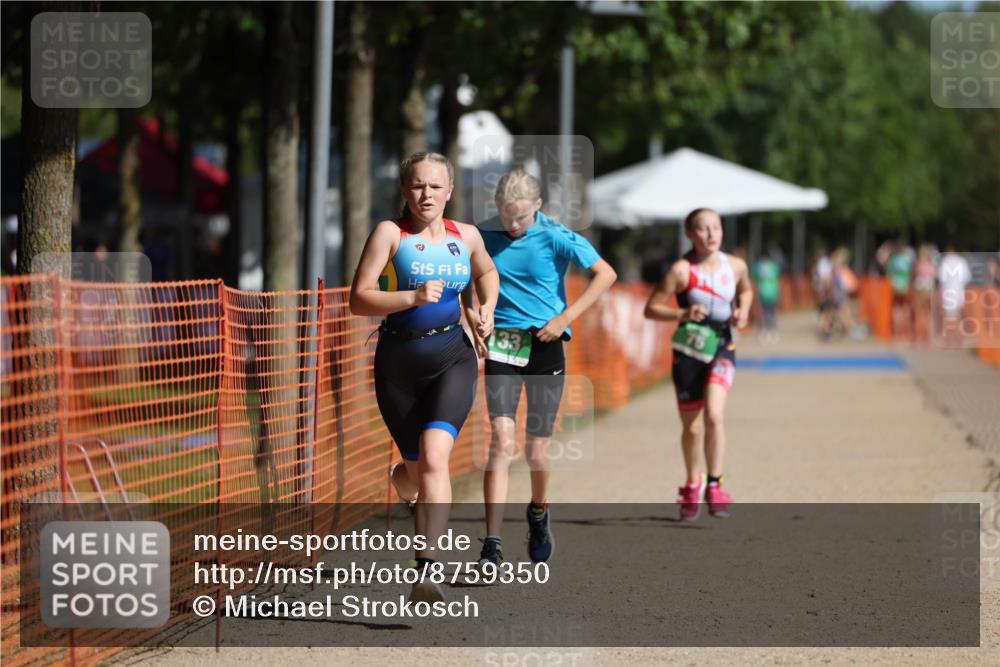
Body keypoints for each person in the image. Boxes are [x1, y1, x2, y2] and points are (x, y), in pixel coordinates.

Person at [349, 152, 499, 602]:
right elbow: (359, 299)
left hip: (453, 355)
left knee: (436, 458)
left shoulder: (466, 236)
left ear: (449, 191)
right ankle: (404, 478)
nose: (426, 194)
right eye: (417, 186)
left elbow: (487, 271)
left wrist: (487, 307)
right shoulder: (390, 235)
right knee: (417, 467)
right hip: (398, 364)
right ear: (404, 191)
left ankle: (426, 567)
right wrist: (411, 297)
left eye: (435, 186)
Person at [471, 169, 617, 567]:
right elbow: (467, 283)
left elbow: (606, 274)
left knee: (537, 447)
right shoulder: (482, 237)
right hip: (504, 344)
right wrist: (475, 315)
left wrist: (566, 317)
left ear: (537, 206)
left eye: (520, 216)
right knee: (501, 439)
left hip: (546, 344)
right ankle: (492, 542)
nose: (513, 225)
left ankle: (538, 512)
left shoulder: (555, 235)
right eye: (505, 216)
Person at [644, 208, 753, 521]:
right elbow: (651, 308)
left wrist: (743, 311)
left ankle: (715, 485)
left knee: (715, 415)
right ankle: (694, 482)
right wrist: (682, 314)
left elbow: (746, 290)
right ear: (689, 234)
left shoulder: (735, 266)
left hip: (722, 344)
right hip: (690, 348)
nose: (711, 234)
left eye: (716, 227)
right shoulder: (681, 271)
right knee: (691, 426)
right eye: (703, 229)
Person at [937, 246, 971, 347]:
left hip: (948, 292)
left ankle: (948, 340)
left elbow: (941, 279)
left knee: (948, 317)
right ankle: (958, 339)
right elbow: (967, 278)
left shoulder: (945, 261)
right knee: (958, 316)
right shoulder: (962, 261)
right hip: (959, 292)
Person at [752, 250, 781, 343]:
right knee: (772, 313)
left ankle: (765, 332)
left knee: (764, 314)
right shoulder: (773, 266)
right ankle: (772, 332)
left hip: (763, 293)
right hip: (773, 293)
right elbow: (777, 280)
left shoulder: (758, 266)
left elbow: (754, 279)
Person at [887, 241, 915, 338]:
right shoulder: (907, 260)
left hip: (894, 286)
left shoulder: (892, 260)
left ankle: (897, 330)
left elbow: (889, 274)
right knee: (905, 307)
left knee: (896, 308)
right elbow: (911, 274)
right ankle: (905, 330)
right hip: (905, 286)